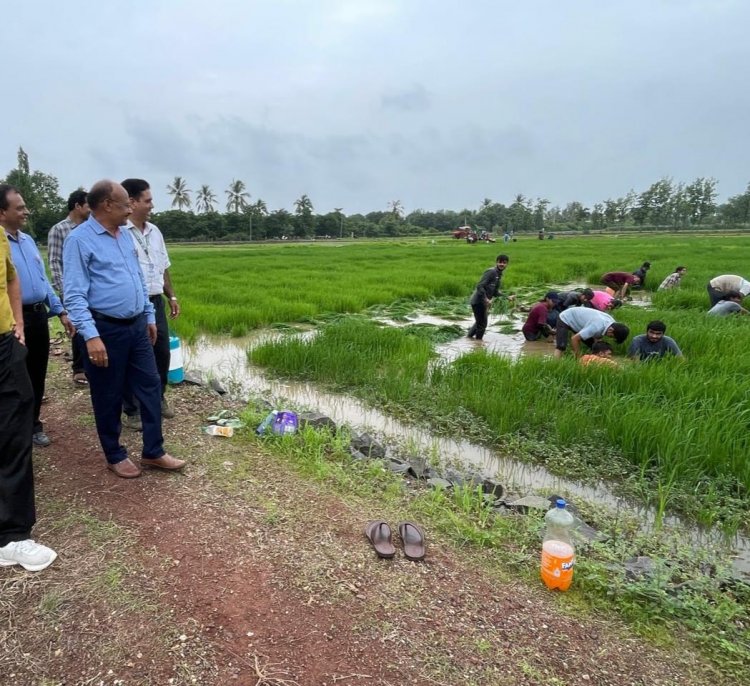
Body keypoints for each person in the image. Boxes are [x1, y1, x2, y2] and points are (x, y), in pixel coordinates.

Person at [63, 180, 185, 479]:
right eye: (125, 204)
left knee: (151, 385)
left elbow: (137, 281)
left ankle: (153, 451)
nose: (130, 208)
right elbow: (75, 294)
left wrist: (149, 316)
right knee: (108, 394)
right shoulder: (80, 240)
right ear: (107, 204)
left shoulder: (124, 236)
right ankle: (114, 454)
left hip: (137, 327)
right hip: (105, 329)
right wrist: (90, 336)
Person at [0, 203, 57, 572]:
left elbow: (11, 277)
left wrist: (17, 322)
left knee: (14, 427)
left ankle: (11, 536)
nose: (25, 211)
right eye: (18, 206)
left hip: (4, 341)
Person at [1, 185, 75, 448]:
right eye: (19, 208)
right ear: (2, 212)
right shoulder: (1, 245)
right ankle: (16, 430)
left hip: (37, 317)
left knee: (36, 373)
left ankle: (33, 424)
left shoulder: (28, 241)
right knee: (14, 379)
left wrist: (61, 311)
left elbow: (43, 282)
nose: (26, 212)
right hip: (11, 322)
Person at [120, 179, 180, 430]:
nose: (152, 205)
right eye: (148, 201)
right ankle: (132, 409)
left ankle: (158, 397)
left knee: (161, 352)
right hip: (132, 304)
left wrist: (172, 296)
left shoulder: (155, 231)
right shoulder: (120, 233)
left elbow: (163, 266)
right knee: (131, 356)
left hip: (155, 301)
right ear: (132, 202)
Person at [47, 189, 90, 385]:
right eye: (88, 204)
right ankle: (79, 369)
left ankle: (93, 365)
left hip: (92, 288)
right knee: (78, 328)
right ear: (77, 206)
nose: (91, 209)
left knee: (93, 325)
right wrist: (64, 291)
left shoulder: (92, 228)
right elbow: (55, 261)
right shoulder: (60, 230)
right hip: (72, 289)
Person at [554, 307, 629, 358]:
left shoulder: (612, 323)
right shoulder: (596, 326)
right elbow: (574, 339)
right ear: (611, 330)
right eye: (612, 336)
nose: (609, 337)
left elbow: (597, 338)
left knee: (594, 346)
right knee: (561, 346)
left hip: (580, 322)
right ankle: (555, 364)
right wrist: (578, 358)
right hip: (566, 317)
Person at [467, 254, 511, 340]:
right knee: (482, 324)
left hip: (484, 303)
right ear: (496, 262)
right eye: (500, 262)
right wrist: (486, 299)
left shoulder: (499, 274)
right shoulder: (491, 272)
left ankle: (469, 338)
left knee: (479, 323)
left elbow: (495, 292)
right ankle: (478, 344)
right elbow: (480, 286)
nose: (502, 264)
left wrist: (507, 297)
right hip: (478, 301)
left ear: (507, 264)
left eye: (504, 263)